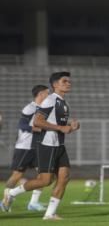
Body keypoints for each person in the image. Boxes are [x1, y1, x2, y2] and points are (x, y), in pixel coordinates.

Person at [3, 72, 80, 220]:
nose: (68, 83)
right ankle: (11, 193)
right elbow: (37, 122)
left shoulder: (64, 102)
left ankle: (50, 214)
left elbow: (59, 124)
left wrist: (72, 126)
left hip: (59, 145)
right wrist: (61, 128)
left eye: (69, 81)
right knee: (45, 180)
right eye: (64, 81)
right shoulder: (50, 100)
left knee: (64, 177)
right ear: (55, 85)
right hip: (47, 144)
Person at [1, 85, 49, 212]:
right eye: (47, 93)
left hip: (38, 147)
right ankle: (6, 200)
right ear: (41, 94)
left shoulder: (44, 109)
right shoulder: (30, 108)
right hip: (25, 147)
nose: (48, 96)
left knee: (44, 176)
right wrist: (39, 129)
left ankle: (33, 203)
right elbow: (22, 125)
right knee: (16, 175)